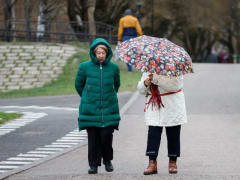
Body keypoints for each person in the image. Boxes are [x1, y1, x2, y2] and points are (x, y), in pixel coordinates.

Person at [75, 38, 121, 174]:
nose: (101, 55)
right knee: (93, 139)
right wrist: (87, 97)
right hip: (90, 109)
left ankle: (107, 161)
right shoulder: (84, 67)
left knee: (107, 136)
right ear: (93, 53)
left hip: (109, 108)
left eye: (103, 52)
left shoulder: (114, 68)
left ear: (107, 53)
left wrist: (109, 95)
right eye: (98, 52)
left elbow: (116, 85)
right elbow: (78, 85)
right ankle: (93, 165)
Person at [137, 73, 187, 175]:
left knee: (173, 135)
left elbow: (174, 86)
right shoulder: (148, 70)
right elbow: (141, 90)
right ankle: (152, 163)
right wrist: (145, 84)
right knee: (153, 134)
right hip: (154, 105)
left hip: (172, 105)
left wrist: (154, 78)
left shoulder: (175, 69)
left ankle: (173, 162)